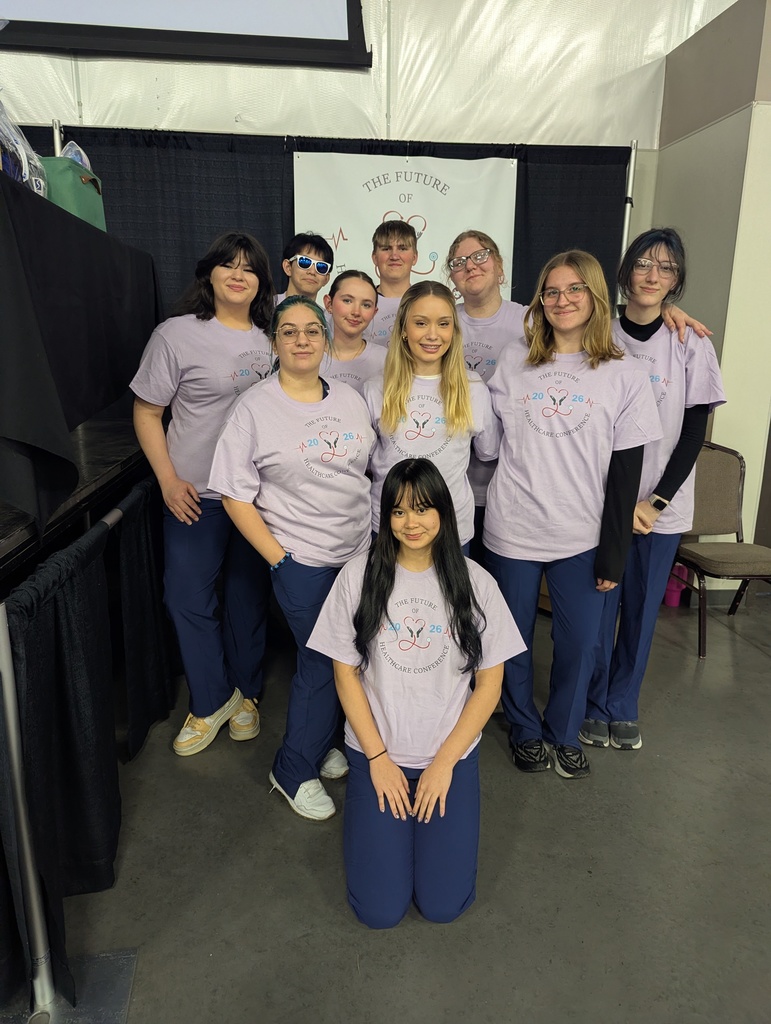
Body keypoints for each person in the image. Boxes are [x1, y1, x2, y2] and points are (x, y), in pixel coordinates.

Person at [307, 458, 525, 928]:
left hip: (449, 759)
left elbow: (490, 683)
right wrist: (378, 759)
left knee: (443, 906)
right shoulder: (357, 575)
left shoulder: (475, 581)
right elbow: (344, 674)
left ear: (443, 514)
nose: (412, 523)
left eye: (423, 509)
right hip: (377, 755)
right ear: (385, 517)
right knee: (379, 912)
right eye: (399, 512)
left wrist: (445, 762)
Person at [483, 250, 663, 779]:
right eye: (552, 291)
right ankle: (524, 729)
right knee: (512, 638)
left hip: (581, 535)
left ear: (595, 297)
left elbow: (626, 473)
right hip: (512, 526)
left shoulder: (624, 373)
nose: (561, 301)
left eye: (574, 290)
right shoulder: (515, 358)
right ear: (540, 300)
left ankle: (564, 732)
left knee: (581, 644)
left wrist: (615, 552)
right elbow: (491, 445)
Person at [446, 229, 714, 563]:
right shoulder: (462, 327)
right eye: (459, 262)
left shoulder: (528, 322)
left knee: (623, 608)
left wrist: (665, 310)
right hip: (492, 499)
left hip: (607, 507)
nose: (562, 300)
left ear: (499, 266)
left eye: (481, 256)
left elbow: (691, 434)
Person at [208, 295, 376, 821]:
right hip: (300, 560)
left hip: (359, 553)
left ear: (325, 340)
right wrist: (280, 560)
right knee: (323, 661)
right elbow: (235, 495)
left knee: (353, 658)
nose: (301, 340)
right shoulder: (254, 408)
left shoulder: (349, 399)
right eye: (289, 331)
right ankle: (292, 768)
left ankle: (323, 739)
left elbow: (365, 475)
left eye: (311, 331)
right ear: (274, 341)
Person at [581, 229, 726, 752]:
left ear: (677, 281)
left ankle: (622, 705)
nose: (651, 275)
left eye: (665, 268)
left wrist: (655, 500)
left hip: (660, 506)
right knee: (598, 611)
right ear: (624, 273)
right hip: (600, 504)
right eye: (643, 264)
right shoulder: (596, 332)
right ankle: (592, 703)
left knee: (641, 613)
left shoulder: (691, 343)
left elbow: (693, 432)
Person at [131, 231, 274, 756]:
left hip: (258, 497)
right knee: (186, 598)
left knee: (245, 598)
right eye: (227, 265)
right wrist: (168, 479)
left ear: (261, 281)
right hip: (195, 493)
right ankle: (212, 699)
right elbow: (147, 411)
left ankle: (248, 697)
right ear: (208, 274)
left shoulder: (273, 335)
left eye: (249, 268)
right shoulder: (177, 334)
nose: (238, 274)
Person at [363, 281, 500, 551]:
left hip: (451, 529)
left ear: (454, 330)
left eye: (444, 323)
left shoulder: (473, 389)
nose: (433, 335)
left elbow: (488, 452)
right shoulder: (376, 388)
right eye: (421, 323)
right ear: (403, 329)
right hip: (390, 528)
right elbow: (362, 461)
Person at [323, 270, 386, 394]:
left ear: (374, 312)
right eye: (347, 301)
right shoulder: (309, 356)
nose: (356, 312)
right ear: (329, 303)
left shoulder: (386, 360)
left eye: (366, 305)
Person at [367, 220, 419, 345]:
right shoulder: (361, 303)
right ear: (375, 257)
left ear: (414, 258)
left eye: (403, 248)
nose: (394, 256)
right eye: (386, 248)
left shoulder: (425, 301)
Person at [276, 231, 334, 303]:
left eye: (321, 267)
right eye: (304, 262)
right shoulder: (263, 309)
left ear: (326, 278)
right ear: (288, 267)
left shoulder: (326, 314)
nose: (312, 272)